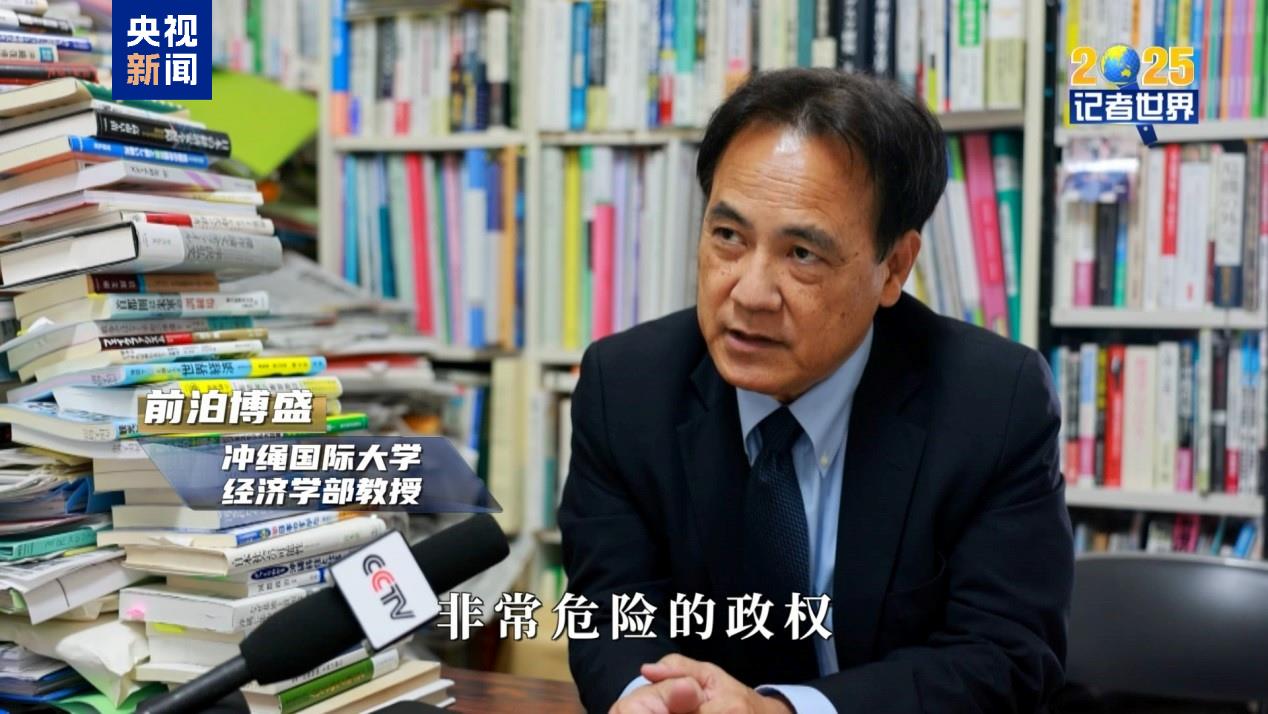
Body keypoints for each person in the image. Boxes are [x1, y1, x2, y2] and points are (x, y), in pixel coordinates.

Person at [557, 67, 1073, 714]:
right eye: (728, 237)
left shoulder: (993, 403)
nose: (749, 294)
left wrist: (785, 711)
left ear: (895, 267)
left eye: (802, 253)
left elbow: (1004, 656)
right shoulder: (626, 387)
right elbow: (609, 608)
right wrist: (649, 696)